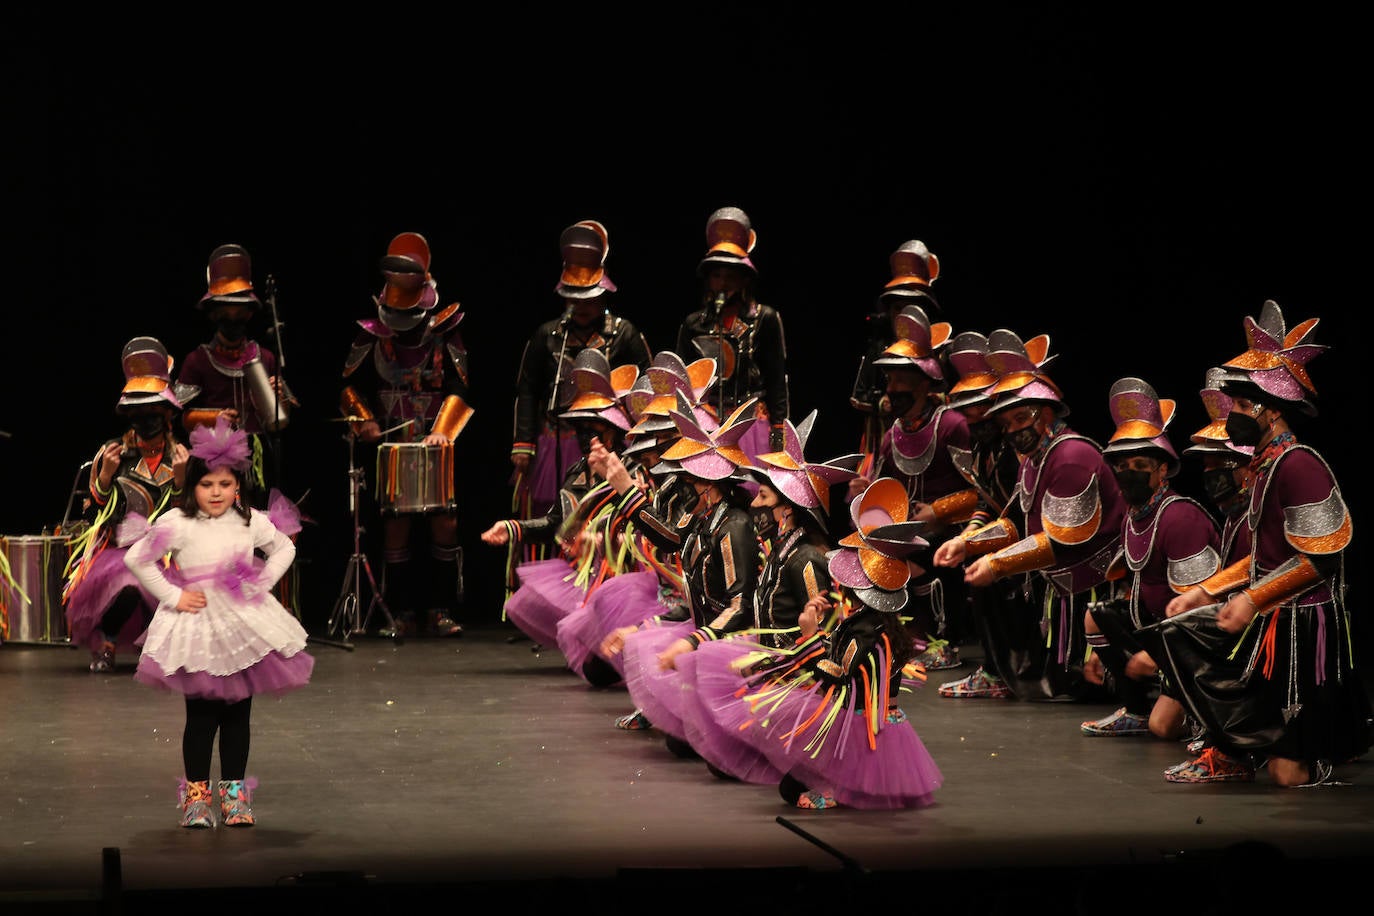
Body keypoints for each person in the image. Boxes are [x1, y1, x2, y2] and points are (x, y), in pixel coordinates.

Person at [1153, 300, 1370, 786]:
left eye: (1240, 406)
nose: (1233, 415)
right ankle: (1234, 750)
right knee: (1180, 631)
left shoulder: (1299, 464)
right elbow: (1262, 555)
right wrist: (1207, 591)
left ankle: (1323, 750)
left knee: (1289, 776)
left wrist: (1252, 598)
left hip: (1303, 622)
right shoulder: (1265, 466)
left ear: (1269, 410)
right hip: (1272, 612)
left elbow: (1320, 561)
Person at [692, 476, 944, 810]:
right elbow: (837, 660)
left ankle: (842, 786)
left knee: (790, 786)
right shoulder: (869, 622)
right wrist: (809, 639)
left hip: (863, 731)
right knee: (785, 781)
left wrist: (810, 636)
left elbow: (836, 678)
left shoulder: (867, 629)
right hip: (853, 718)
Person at [123, 415, 313, 828]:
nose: (216, 492)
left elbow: (284, 548)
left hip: (242, 629)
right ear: (192, 486)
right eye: (207, 484)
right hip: (198, 630)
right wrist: (174, 595)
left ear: (237, 486)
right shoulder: (178, 522)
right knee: (202, 717)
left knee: (238, 716)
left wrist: (261, 582)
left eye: (225, 484)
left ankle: (234, 798)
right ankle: (196, 800)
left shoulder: (248, 520)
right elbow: (137, 558)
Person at [676, 410, 862, 783]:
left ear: (786, 509)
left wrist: (770, 669)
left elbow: (820, 638)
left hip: (796, 677)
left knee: (723, 758)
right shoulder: (781, 551)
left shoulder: (806, 559)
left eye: (763, 496)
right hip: (773, 666)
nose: (755, 505)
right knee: (707, 746)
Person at [945, 330, 1126, 701]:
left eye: (1020, 418)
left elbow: (1062, 539)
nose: (1013, 431)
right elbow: (1016, 521)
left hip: (1094, 585)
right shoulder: (1034, 459)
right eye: (1006, 424)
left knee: (1084, 688)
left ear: (1045, 413)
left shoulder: (1071, 456)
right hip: (1059, 583)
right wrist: (968, 543)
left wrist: (996, 563)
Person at [600, 397, 761, 755]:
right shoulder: (702, 518)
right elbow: (674, 548)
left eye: (688, 477)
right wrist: (642, 627)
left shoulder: (733, 526)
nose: (682, 483)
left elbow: (740, 606)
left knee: (685, 742)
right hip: (707, 633)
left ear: (707, 484)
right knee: (679, 736)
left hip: (732, 640)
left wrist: (694, 640)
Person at [507, 220, 651, 599]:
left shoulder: (624, 333)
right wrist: (523, 443)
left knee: (597, 514)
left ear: (603, 294)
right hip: (556, 439)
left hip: (606, 442)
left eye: (589, 297)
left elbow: (647, 389)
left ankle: (598, 588)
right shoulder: (548, 335)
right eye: (575, 297)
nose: (582, 305)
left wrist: (640, 442)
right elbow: (527, 389)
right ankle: (549, 595)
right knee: (554, 514)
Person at [339, 231, 473, 637]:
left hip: (436, 445)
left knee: (444, 523)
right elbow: (348, 387)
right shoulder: (371, 334)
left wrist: (443, 431)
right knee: (395, 526)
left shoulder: (444, 332)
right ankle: (400, 613)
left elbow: (461, 387)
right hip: (391, 447)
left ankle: (440, 610)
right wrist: (364, 420)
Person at [556, 352, 717, 688]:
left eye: (661, 441)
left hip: (697, 609)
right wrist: (600, 538)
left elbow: (671, 539)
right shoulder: (669, 484)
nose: (654, 453)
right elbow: (636, 534)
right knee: (597, 668)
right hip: (666, 593)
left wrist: (627, 491)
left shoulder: (699, 491)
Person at [1078, 377, 1221, 739]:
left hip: (1194, 639)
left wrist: (1159, 656)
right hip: (1157, 626)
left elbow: (1202, 609)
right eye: (1122, 466)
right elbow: (1135, 585)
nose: (1129, 473)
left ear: (1162, 470)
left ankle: (1202, 715)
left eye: (1140, 464)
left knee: (1164, 727)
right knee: (1095, 616)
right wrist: (1100, 649)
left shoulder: (1180, 517)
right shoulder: (1135, 515)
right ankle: (1136, 709)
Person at [482, 348, 639, 654]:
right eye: (579, 428)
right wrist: (513, 528)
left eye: (593, 429)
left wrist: (604, 540)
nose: (585, 437)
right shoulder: (576, 473)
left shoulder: (633, 471)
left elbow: (648, 534)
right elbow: (558, 524)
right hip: (585, 575)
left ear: (611, 431)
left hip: (623, 582)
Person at [847, 303, 975, 672]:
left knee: (926, 551)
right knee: (872, 549)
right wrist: (864, 492)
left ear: (924, 381)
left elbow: (982, 495)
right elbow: (888, 489)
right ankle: (900, 635)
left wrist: (940, 511)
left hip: (954, 527)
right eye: (890, 380)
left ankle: (945, 641)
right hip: (913, 528)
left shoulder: (951, 425)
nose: (892, 388)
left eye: (901, 380)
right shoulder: (893, 435)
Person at [63, 336, 194, 673]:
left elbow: (188, 516)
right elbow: (95, 514)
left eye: (153, 412)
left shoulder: (181, 457)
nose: (145, 419)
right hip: (120, 550)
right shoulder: (113, 453)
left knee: (170, 587)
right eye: (137, 413)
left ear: (168, 414)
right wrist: (105, 478)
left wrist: (180, 482)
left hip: (168, 553)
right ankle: (107, 645)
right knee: (131, 583)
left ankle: (158, 645)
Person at [935, 329, 1042, 699]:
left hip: (1037, 541)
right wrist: (967, 536)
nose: (973, 418)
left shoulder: (1018, 452)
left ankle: (1008, 670)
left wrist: (975, 544)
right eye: (967, 411)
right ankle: (997, 669)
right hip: (1009, 536)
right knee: (970, 563)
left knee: (986, 570)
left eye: (979, 409)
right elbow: (986, 503)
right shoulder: (984, 449)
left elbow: (1020, 514)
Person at [178, 243, 297, 501]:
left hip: (257, 460)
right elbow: (183, 416)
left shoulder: (265, 358)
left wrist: (280, 399)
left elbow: (282, 419)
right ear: (213, 315)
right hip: (213, 462)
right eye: (225, 314)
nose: (232, 320)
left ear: (249, 314)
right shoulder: (197, 360)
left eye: (239, 314)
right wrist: (215, 418)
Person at [676, 205, 788, 457]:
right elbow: (682, 383)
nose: (723, 283)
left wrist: (779, 433)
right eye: (717, 275)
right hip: (705, 423)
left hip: (751, 425)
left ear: (744, 278)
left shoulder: (764, 319)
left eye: (731, 275)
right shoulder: (694, 324)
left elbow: (776, 381)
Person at [850, 239, 943, 465]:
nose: (903, 315)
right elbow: (858, 395)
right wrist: (883, 402)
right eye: (897, 308)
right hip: (884, 441)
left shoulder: (940, 348)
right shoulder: (879, 349)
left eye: (911, 307)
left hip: (931, 440)